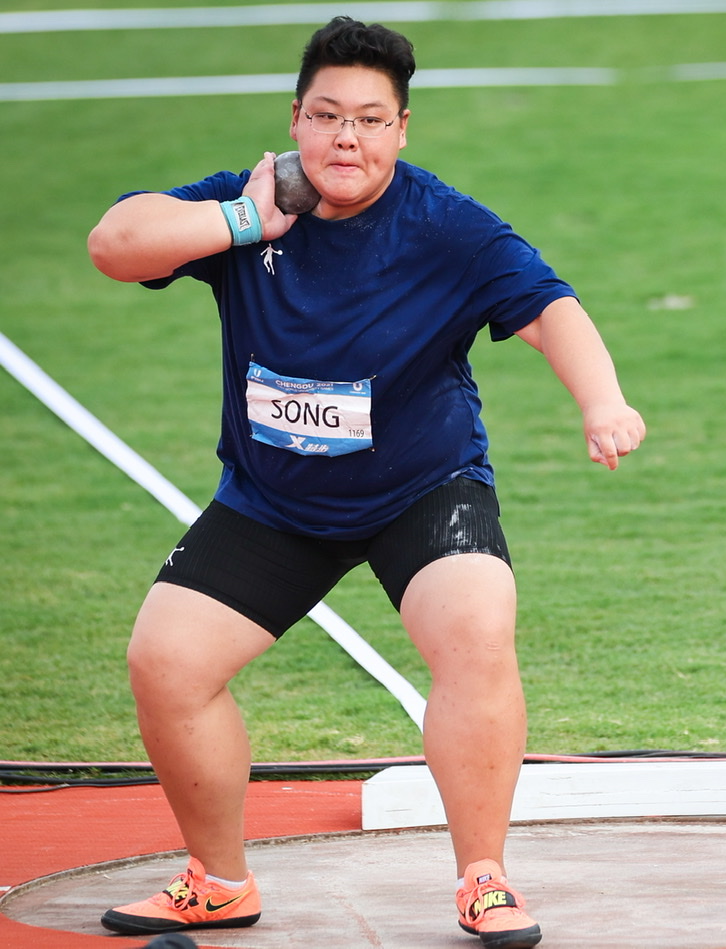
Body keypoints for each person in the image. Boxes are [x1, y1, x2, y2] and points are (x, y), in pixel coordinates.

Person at [86, 16, 644, 949]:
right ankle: (219, 882)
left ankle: (484, 878)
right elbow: (115, 242)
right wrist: (245, 221)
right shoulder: (246, 207)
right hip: (272, 500)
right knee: (167, 660)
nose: (348, 138)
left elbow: (550, 309)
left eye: (371, 121)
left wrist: (604, 401)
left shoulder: (447, 227)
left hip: (420, 490)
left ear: (401, 130)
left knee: (473, 627)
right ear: (295, 120)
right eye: (328, 115)